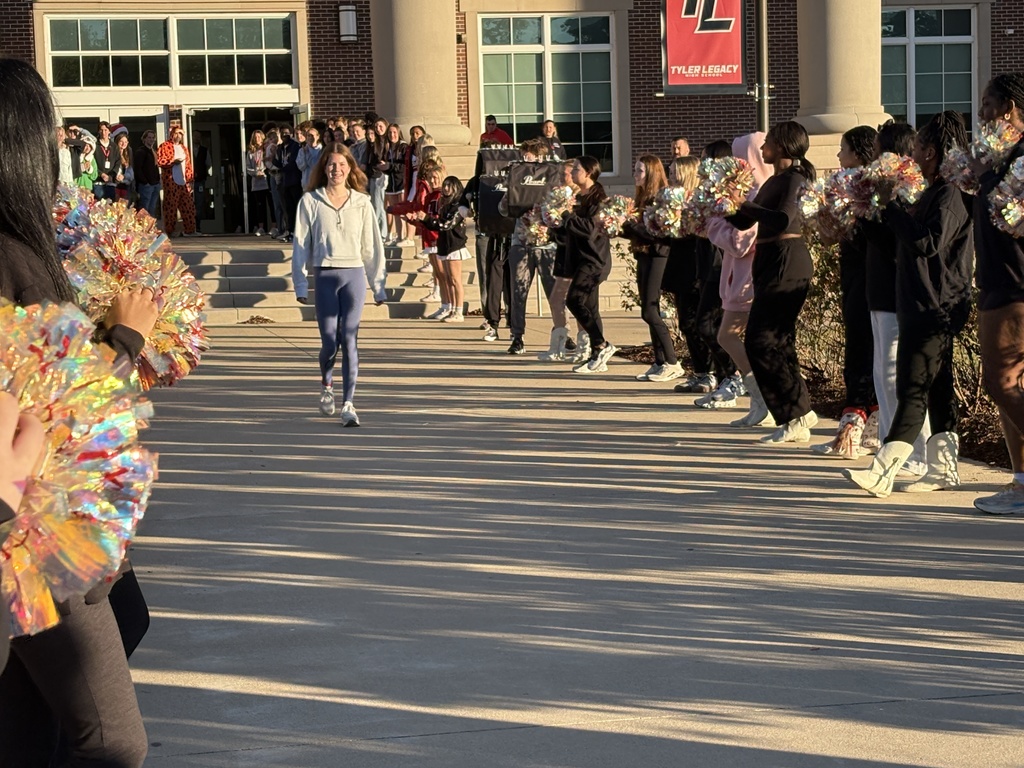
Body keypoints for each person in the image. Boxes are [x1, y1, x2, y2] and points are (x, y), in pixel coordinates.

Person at [0, 56, 160, 767]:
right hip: (34, 530)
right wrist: (125, 343)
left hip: (44, 523)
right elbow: (49, 409)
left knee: (39, 721)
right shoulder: (9, 260)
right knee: (111, 740)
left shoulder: (20, 252)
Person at [846, 112, 973, 497]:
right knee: (936, 388)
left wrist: (893, 206)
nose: (912, 154)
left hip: (935, 304)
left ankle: (884, 470)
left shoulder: (949, 194)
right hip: (918, 300)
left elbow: (929, 243)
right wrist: (874, 211)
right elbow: (901, 248)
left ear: (931, 152)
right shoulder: (931, 192)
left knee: (912, 387)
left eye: (917, 147)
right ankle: (943, 469)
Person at [727, 122, 818, 443]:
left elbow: (783, 219)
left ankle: (793, 416)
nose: (762, 148)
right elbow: (743, 220)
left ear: (781, 146)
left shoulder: (795, 178)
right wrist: (722, 200)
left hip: (787, 260)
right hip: (769, 262)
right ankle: (799, 412)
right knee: (778, 341)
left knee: (761, 340)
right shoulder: (776, 180)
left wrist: (744, 202)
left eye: (767, 143)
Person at [292, 143, 387, 427]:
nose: (337, 169)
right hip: (325, 275)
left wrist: (378, 284)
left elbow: (372, 246)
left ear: (350, 168)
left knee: (349, 338)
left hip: (354, 275)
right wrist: (300, 283)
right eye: (331, 165)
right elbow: (300, 244)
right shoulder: (310, 201)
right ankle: (326, 385)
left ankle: (349, 403)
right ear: (324, 168)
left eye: (342, 164)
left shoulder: (362, 202)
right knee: (329, 342)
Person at [859, 122, 930, 475]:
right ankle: (891, 447)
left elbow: (896, 243)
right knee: (882, 374)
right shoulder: (883, 190)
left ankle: (915, 454)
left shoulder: (907, 190)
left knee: (897, 375)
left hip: (897, 291)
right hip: (879, 290)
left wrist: (872, 212)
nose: (872, 155)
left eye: (877, 149)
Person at [972, 73, 1024, 515]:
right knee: (1011, 385)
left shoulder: (1021, 158)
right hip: (995, 280)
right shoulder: (999, 157)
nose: (982, 113)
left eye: (988, 104)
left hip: (1015, 284)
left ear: (1009, 107)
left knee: (1001, 382)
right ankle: (1021, 483)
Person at [813, 125, 880, 458]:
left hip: (872, 281)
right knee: (858, 346)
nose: (839, 156)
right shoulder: (845, 188)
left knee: (864, 351)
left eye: (843, 149)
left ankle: (858, 426)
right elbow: (832, 235)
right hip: (853, 275)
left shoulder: (872, 190)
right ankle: (860, 425)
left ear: (858, 153)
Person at [697, 133, 768, 421]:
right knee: (736, 337)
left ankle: (763, 397)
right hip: (736, 278)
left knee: (729, 335)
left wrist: (713, 226)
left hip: (749, 279)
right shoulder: (743, 191)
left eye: (741, 158)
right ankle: (761, 399)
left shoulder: (758, 192)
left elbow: (741, 243)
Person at [623, 154, 683, 381]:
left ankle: (672, 361)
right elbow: (637, 231)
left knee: (650, 309)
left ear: (651, 174)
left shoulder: (660, 198)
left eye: (639, 171)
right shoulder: (642, 198)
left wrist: (631, 225)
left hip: (659, 256)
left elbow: (658, 234)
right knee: (647, 311)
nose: (635, 175)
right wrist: (618, 225)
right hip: (644, 255)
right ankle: (659, 361)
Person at [552, 156, 614, 373]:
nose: (573, 172)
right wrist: (554, 223)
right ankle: (598, 356)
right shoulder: (578, 197)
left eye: (577, 169)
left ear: (588, 173)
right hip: (579, 258)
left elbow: (589, 229)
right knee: (590, 307)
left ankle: (602, 344)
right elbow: (570, 229)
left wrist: (567, 215)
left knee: (574, 300)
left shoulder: (598, 199)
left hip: (594, 260)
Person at [539, 159, 583, 361]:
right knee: (557, 299)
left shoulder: (580, 199)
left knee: (578, 300)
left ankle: (585, 345)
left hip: (579, 254)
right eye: (560, 175)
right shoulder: (557, 196)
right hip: (563, 251)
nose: (562, 179)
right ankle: (559, 344)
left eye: (565, 175)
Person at [417, 175, 470, 323]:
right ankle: (452, 308)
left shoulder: (459, 207)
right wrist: (424, 219)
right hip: (444, 245)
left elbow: (447, 225)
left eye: (449, 185)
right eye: (445, 185)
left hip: (454, 245)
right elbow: (437, 225)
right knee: (447, 278)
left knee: (455, 279)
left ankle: (459, 311)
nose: (445, 188)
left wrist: (427, 219)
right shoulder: (444, 205)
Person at [156, 125, 198, 236]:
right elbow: (160, 160)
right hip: (171, 181)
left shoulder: (184, 148)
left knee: (188, 206)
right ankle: (170, 231)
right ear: (172, 134)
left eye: (180, 134)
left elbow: (188, 165)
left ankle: (190, 230)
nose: (178, 136)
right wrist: (172, 161)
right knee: (171, 207)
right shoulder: (165, 146)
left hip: (183, 182)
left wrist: (190, 180)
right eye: (176, 133)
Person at [273, 125, 302, 242]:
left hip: (295, 181)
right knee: (287, 209)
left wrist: (282, 169)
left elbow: (294, 163)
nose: (285, 136)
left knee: (297, 207)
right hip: (285, 182)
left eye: (287, 133)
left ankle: (298, 231)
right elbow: (279, 163)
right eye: (283, 133)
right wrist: (273, 156)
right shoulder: (280, 148)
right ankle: (289, 231)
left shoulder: (295, 146)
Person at [384, 123, 410, 245]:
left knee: (403, 211)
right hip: (392, 182)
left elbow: (404, 165)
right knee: (395, 211)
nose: (392, 135)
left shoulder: (403, 147)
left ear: (399, 133)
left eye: (394, 132)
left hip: (402, 181)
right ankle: (398, 236)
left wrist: (390, 166)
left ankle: (406, 236)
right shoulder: (389, 148)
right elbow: (389, 167)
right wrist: (384, 167)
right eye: (389, 133)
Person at [246, 129, 270, 235]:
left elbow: (270, 162)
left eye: (259, 137)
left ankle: (274, 226)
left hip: (266, 180)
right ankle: (261, 227)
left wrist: (263, 171)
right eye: (255, 138)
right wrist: (255, 173)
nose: (257, 139)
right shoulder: (251, 152)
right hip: (256, 182)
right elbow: (248, 167)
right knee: (260, 206)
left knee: (271, 204)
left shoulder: (267, 149)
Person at [135, 129, 161, 220]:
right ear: (144, 139)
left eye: (153, 138)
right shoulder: (141, 151)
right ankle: (143, 229)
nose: (151, 140)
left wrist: (158, 181)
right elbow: (138, 169)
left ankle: (151, 230)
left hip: (155, 184)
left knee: (152, 209)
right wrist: (145, 182)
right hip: (146, 185)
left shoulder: (153, 151)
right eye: (149, 137)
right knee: (144, 209)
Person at [93, 121, 120, 200]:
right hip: (98, 183)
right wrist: (101, 174)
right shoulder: (95, 145)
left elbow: (118, 162)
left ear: (109, 131)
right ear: (98, 131)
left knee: (111, 207)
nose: (103, 132)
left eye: (105, 130)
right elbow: (92, 163)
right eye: (101, 130)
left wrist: (111, 175)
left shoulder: (114, 146)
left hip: (111, 183)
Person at [297, 121, 324, 191]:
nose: (310, 138)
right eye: (308, 135)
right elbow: (301, 166)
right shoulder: (302, 151)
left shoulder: (321, 150)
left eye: (312, 135)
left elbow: (315, 165)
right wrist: (305, 154)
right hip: (306, 184)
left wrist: (307, 154)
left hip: (318, 184)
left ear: (318, 136)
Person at [112, 124, 133, 202]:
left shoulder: (128, 154)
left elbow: (131, 173)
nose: (124, 144)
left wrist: (124, 176)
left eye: (125, 142)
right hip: (115, 185)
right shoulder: (113, 153)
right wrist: (117, 176)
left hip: (126, 186)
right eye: (121, 142)